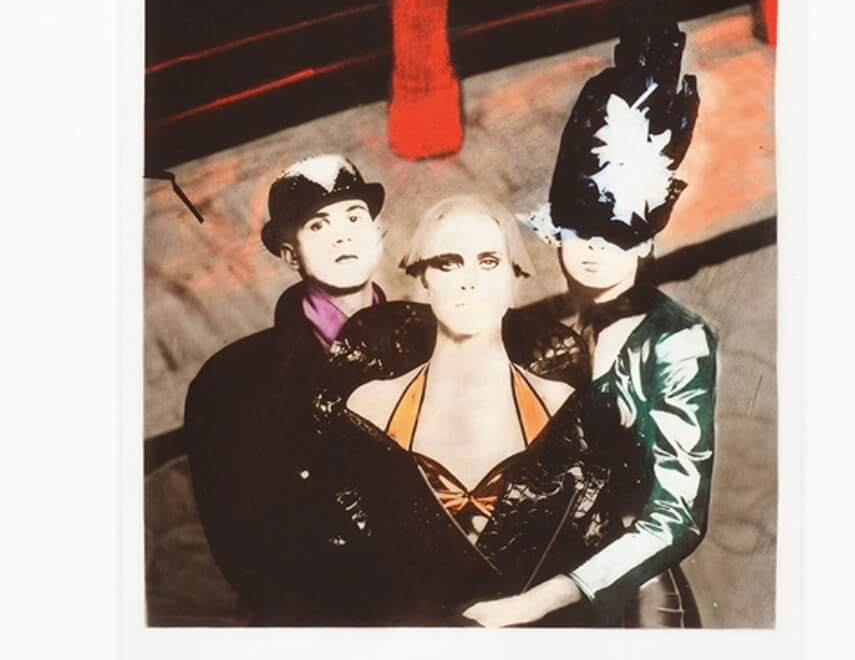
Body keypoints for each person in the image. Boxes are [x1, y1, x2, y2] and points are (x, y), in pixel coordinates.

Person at [462, 0, 719, 628]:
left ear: (648, 241)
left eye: (619, 238)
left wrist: (534, 604)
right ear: (556, 231)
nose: (596, 252)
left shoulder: (675, 341)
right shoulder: (523, 327)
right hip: (517, 567)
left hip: (627, 584)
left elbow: (677, 515)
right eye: (582, 233)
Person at [315, 195, 626, 626]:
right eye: (448, 263)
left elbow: (603, 555)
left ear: (514, 275)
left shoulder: (562, 404)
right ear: (422, 278)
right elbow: (337, 566)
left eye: (489, 262)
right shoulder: (368, 406)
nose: (469, 282)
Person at [182, 153, 387, 623]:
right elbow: (247, 556)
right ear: (290, 254)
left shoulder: (439, 338)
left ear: (377, 232)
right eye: (318, 225)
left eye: (354, 216)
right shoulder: (229, 382)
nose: (341, 235)